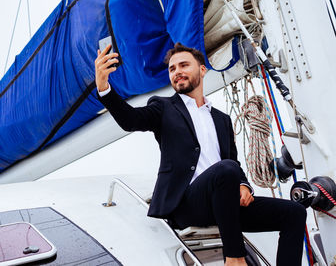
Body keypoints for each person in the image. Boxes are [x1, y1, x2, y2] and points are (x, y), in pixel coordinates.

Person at [94, 42, 306, 266]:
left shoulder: (222, 119)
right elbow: (130, 120)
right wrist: (104, 87)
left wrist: (244, 185)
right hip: (186, 204)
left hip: (224, 202)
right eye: (172, 69)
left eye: (184, 65)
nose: (177, 72)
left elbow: (233, 161)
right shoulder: (163, 107)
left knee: (294, 213)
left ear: (202, 70)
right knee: (226, 169)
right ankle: (234, 259)